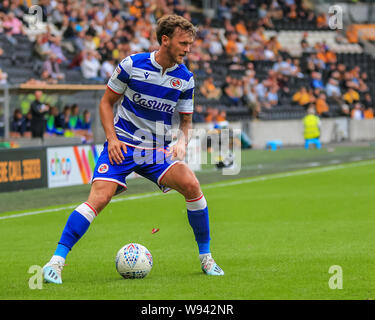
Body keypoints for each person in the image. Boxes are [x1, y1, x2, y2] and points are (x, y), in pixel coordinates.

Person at [42, 14, 224, 284]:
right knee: (99, 199)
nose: (188, 49)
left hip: (156, 152)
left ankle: (206, 258)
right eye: (183, 43)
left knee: (192, 185)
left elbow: (186, 120)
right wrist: (112, 139)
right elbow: (106, 103)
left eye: (190, 44)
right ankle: (55, 263)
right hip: (123, 145)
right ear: (165, 40)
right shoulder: (132, 65)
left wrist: (182, 141)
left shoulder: (185, 78)